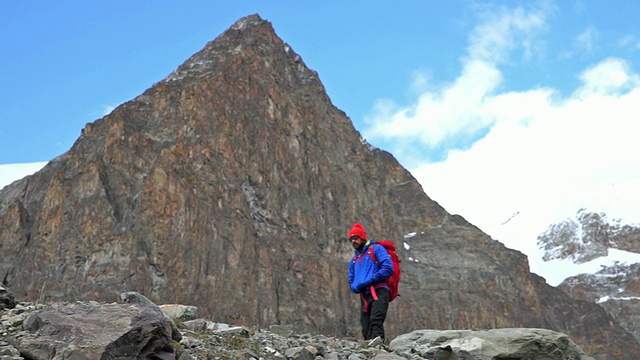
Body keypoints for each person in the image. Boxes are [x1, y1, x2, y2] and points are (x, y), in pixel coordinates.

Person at [347, 222, 394, 345]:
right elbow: (351, 280)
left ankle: (379, 350)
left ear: (362, 237)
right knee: (365, 326)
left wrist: (372, 279)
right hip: (364, 295)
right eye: (351, 239)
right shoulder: (353, 261)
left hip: (379, 291)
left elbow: (388, 268)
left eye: (355, 238)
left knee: (376, 320)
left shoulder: (376, 249)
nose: (353, 241)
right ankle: (369, 351)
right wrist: (356, 287)